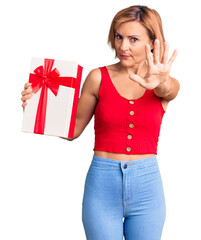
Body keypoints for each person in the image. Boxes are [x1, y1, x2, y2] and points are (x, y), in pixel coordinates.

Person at [21, 5, 180, 240]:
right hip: (102, 185)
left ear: (153, 43)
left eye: (133, 39)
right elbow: (72, 130)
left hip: (148, 187)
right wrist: (36, 108)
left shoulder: (164, 83)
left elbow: (170, 89)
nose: (122, 46)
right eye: (119, 37)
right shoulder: (97, 77)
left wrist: (160, 80)